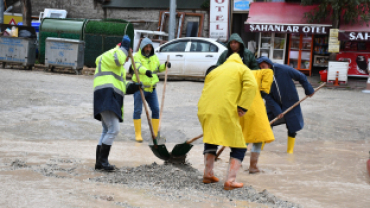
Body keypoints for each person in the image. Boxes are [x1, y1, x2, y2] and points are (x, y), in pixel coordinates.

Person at [198, 53, 257, 190]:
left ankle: (208, 174)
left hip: (205, 109)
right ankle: (230, 181)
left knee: (212, 139)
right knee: (239, 146)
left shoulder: (215, 70)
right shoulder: (242, 69)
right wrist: (243, 106)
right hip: (224, 110)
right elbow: (252, 85)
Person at [93, 35, 147, 171]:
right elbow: (118, 58)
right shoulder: (113, 54)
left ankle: (99, 162)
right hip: (106, 94)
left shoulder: (117, 68)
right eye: (128, 56)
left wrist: (134, 86)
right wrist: (124, 48)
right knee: (114, 129)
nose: (127, 60)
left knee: (106, 129)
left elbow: (122, 87)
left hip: (106, 94)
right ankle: (103, 162)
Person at [257, 56, 315, 154]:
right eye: (260, 68)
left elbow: (301, 77)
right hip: (272, 104)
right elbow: (266, 96)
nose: (263, 69)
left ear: (269, 64)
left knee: (292, 126)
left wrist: (309, 90)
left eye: (264, 66)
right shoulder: (261, 77)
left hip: (290, 101)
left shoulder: (283, 69)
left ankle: (289, 152)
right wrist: (277, 111)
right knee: (266, 125)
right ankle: (258, 150)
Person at [131, 38, 171, 142]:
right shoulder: (136, 56)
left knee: (156, 110)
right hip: (140, 88)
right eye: (146, 47)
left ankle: (155, 134)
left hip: (152, 89)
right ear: (142, 47)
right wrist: (146, 71)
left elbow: (157, 68)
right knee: (138, 110)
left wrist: (165, 65)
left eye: (150, 47)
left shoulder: (154, 57)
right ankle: (138, 134)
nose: (148, 49)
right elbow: (138, 67)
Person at [239, 68, 275, 174]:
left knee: (243, 137)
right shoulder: (264, 72)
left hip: (241, 109)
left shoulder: (241, 73)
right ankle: (253, 167)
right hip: (255, 110)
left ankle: (237, 163)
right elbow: (267, 76)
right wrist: (264, 89)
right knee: (258, 138)